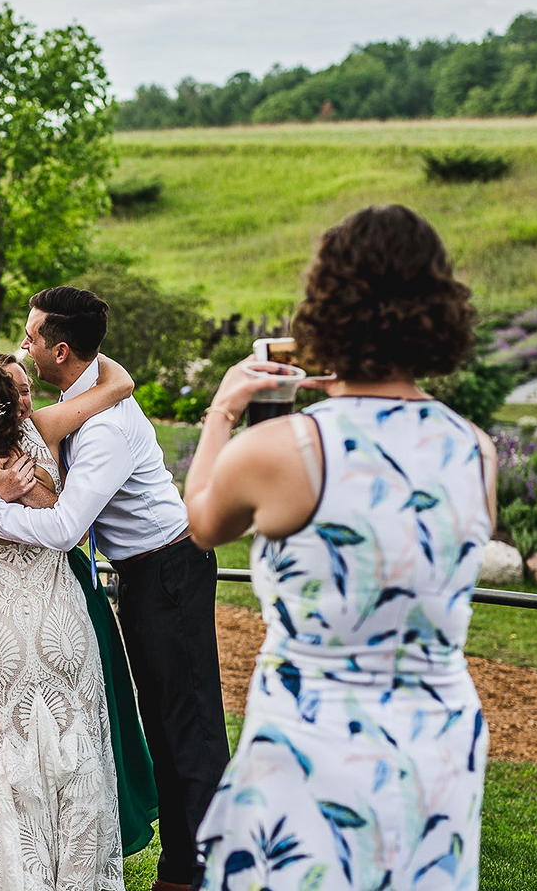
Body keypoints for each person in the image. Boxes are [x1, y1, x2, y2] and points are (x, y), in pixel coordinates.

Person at [184, 205, 496, 891]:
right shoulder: (475, 449)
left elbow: (202, 521)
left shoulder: (287, 448)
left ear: (326, 306)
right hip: (440, 740)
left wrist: (224, 410)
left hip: (312, 738)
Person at [0, 287, 227, 891]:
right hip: (141, 573)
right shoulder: (78, 399)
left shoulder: (102, 429)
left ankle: (211, 871)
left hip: (169, 570)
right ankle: (181, 870)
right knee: (160, 716)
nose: (23, 346)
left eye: (31, 337)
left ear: (60, 349)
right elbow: (117, 376)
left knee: (192, 726)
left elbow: (63, 529)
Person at [0, 352, 137, 891]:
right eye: (14, 393)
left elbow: (64, 513)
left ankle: (80, 878)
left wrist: (17, 494)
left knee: (76, 745)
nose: (24, 402)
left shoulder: (36, 433)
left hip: (58, 610)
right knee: (15, 743)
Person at [0, 351, 161, 859]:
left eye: (25, 388)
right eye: (9, 391)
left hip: (65, 585)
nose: (22, 399)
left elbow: (120, 381)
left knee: (91, 721)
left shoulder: (42, 424)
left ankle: (92, 834)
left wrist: (74, 335)